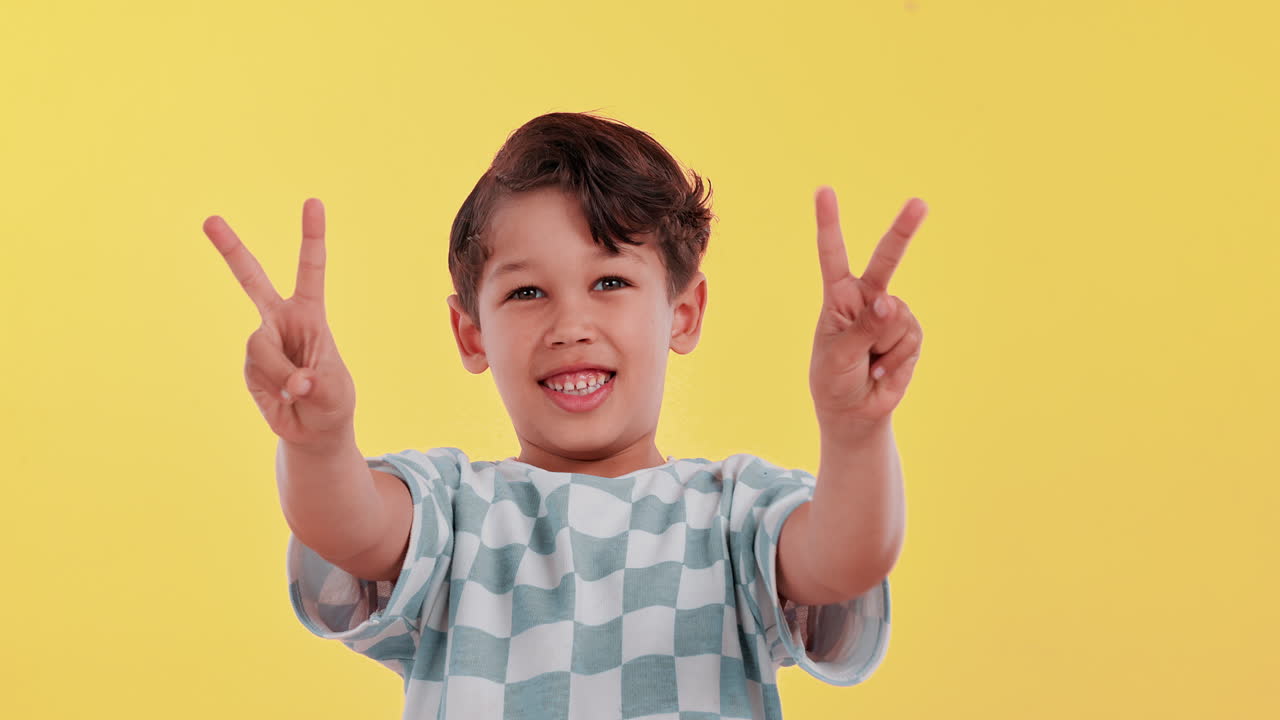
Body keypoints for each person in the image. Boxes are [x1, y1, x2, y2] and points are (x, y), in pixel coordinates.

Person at [202, 111, 926, 720]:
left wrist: (855, 432)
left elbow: (847, 558)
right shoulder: (453, 513)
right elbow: (347, 527)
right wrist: (321, 442)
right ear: (471, 333)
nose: (570, 323)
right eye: (526, 294)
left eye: (609, 280)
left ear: (683, 312)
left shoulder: (734, 516)